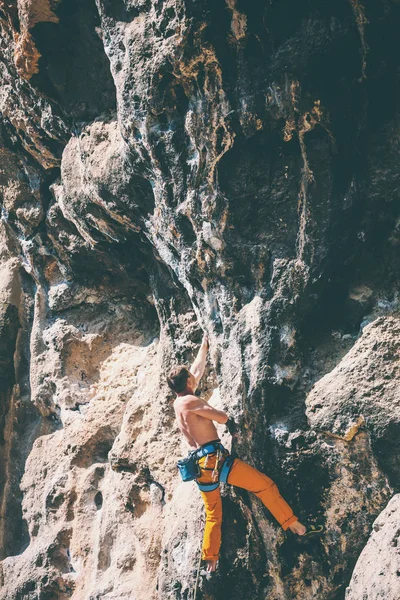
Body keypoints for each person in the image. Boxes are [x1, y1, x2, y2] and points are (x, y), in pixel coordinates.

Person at [168, 333, 323, 573]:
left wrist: (205, 345)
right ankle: (295, 525)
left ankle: (210, 560)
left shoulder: (179, 403)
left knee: (213, 514)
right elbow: (220, 417)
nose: (194, 377)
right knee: (264, 486)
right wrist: (226, 418)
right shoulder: (190, 402)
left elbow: (196, 371)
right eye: (191, 377)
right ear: (187, 382)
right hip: (217, 462)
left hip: (200, 466)